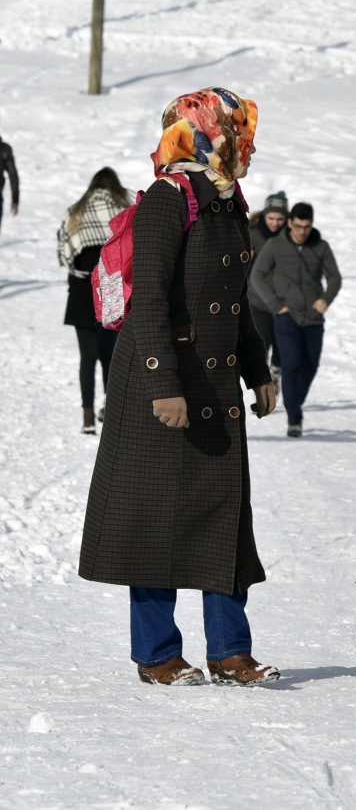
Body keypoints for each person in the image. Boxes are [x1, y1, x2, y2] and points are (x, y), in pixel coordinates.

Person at [79, 87, 280, 687]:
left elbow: (236, 298)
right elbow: (148, 304)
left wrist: (257, 368)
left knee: (223, 518)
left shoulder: (225, 198)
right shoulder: (169, 198)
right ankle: (157, 653)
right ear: (206, 130)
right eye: (233, 128)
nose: (241, 138)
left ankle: (229, 650)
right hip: (164, 383)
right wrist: (163, 383)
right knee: (155, 519)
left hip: (216, 385)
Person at [249, 200, 342, 438]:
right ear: (290, 223)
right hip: (286, 316)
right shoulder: (275, 245)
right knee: (291, 364)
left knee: (310, 365)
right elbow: (257, 275)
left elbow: (334, 277)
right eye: (298, 226)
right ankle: (294, 415)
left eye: (307, 226)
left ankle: (295, 400)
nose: (302, 231)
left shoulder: (320, 246)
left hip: (313, 317)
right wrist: (275, 305)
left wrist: (326, 298)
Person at [57, 167, 129, 433]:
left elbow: (64, 250)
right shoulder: (122, 208)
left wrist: (77, 271)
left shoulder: (76, 210)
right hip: (109, 283)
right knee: (110, 353)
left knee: (87, 355)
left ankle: (87, 415)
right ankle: (111, 409)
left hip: (80, 286)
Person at [247, 192, 288, 385]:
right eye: (271, 218)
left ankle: (276, 375)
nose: (276, 222)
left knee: (283, 344)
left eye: (280, 218)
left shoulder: (291, 235)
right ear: (263, 215)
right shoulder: (251, 232)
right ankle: (262, 384)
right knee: (262, 343)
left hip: (285, 301)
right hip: (257, 300)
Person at [0, 132, 18, 230]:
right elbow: (13, 175)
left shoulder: (4, 150)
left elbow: (13, 175)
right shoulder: (4, 150)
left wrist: (15, 199)